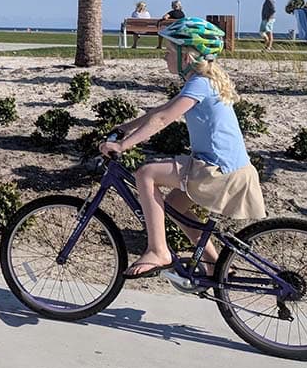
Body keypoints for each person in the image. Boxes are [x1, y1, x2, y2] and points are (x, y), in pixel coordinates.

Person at [99, 17, 265, 279]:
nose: (164, 57)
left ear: (185, 56)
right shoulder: (203, 80)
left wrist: (122, 145)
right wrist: (126, 127)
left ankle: (157, 251)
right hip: (231, 168)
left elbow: (164, 120)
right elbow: (161, 111)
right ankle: (215, 264)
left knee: (146, 174)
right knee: (174, 208)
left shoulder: (199, 83)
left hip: (217, 171)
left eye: (167, 52)